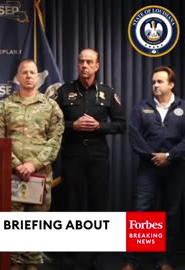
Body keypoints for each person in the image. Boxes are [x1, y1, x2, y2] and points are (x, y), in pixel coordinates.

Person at [53, 48, 126, 269]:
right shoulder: (64, 91)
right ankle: (71, 256)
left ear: (97, 66)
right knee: (71, 204)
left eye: (89, 62)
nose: (84, 65)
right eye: (81, 61)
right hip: (73, 155)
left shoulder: (107, 92)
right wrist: (71, 125)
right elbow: (51, 124)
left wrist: (100, 126)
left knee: (98, 205)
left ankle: (97, 256)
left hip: (97, 157)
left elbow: (121, 125)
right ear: (77, 65)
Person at [0, 59, 64, 270]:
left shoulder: (50, 106)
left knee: (35, 224)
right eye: (25, 72)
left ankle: (32, 264)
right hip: (11, 174)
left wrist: (33, 164)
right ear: (18, 77)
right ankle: (14, 262)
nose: (29, 76)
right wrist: (16, 164)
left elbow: (55, 140)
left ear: (38, 77)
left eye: (33, 72)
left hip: (40, 175)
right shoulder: (5, 105)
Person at [124, 66, 185, 270]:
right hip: (148, 168)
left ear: (171, 84)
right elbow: (134, 136)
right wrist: (153, 156)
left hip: (175, 167)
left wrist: (169, 155)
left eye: (160, 82)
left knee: (171, 213)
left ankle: (164, 260)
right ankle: (131, 261)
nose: (155, 85)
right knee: (141, 213)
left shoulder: (183, 107)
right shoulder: (141, 108)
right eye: (153, 82)